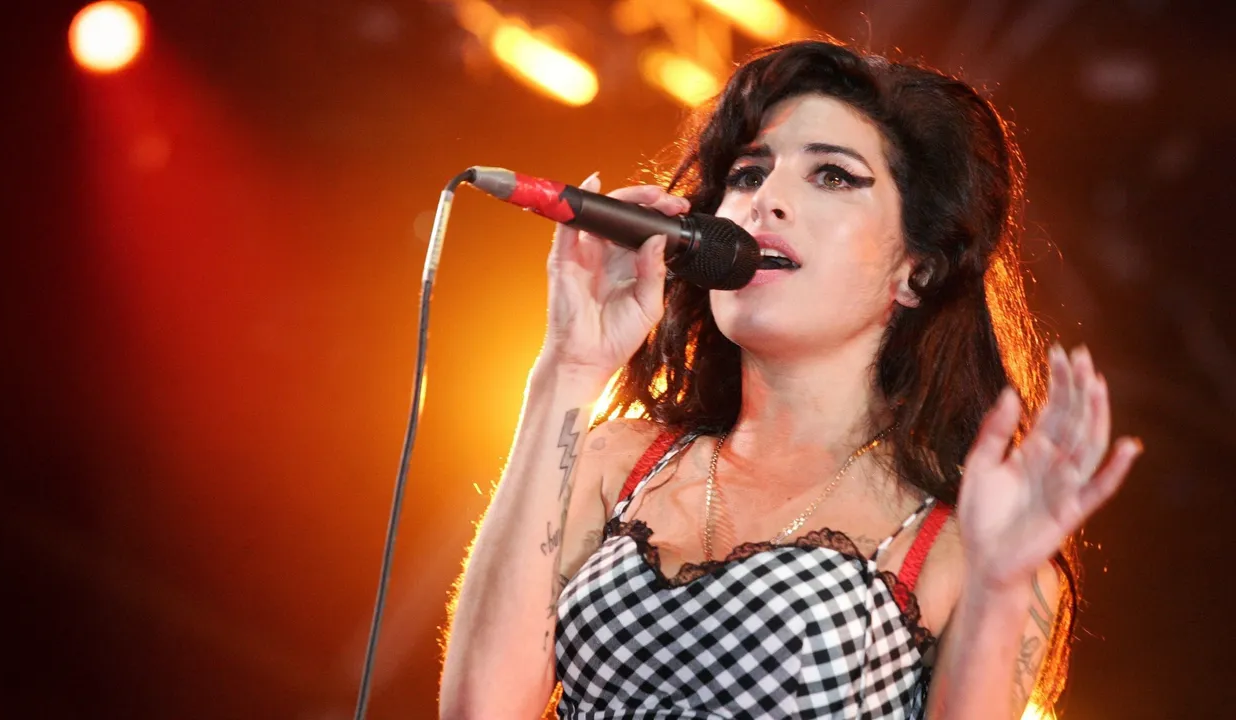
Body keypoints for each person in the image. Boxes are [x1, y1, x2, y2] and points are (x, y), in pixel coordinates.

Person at [439, 39, 1141, 719]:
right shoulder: (617, 463)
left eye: (832, 175)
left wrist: (998, 588)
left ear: (916, 271)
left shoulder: (959, 546)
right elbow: (480, 711)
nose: (765, 200)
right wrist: (569, 367)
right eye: (748, 175)